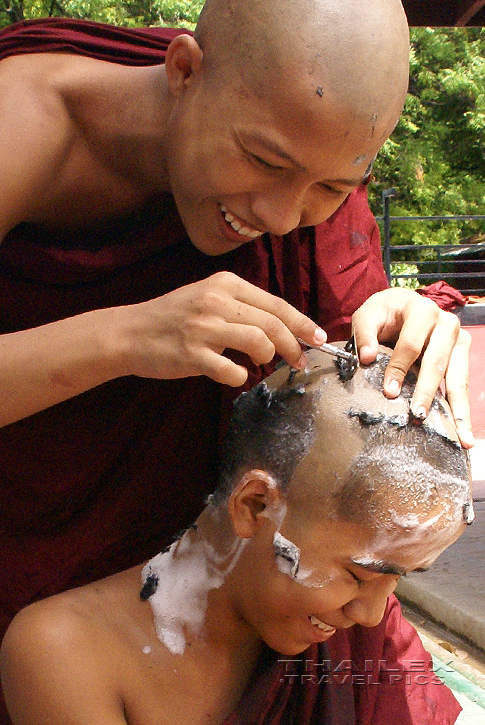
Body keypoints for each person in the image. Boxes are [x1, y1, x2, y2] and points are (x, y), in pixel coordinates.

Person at [0, 1, 473, 719]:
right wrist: (124, 338)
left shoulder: (304, 147)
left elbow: (339, 393)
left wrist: (399, 324)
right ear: (185, 69)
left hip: (225, 601)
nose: (283, 215)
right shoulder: (21, 124)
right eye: (264, 161)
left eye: (330, 188)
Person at [0, 346, 472, 725]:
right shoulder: (68, 652)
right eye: (357, 575)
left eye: (401, 580)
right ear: (256, 506)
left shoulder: (360, 640)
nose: (372, 617)